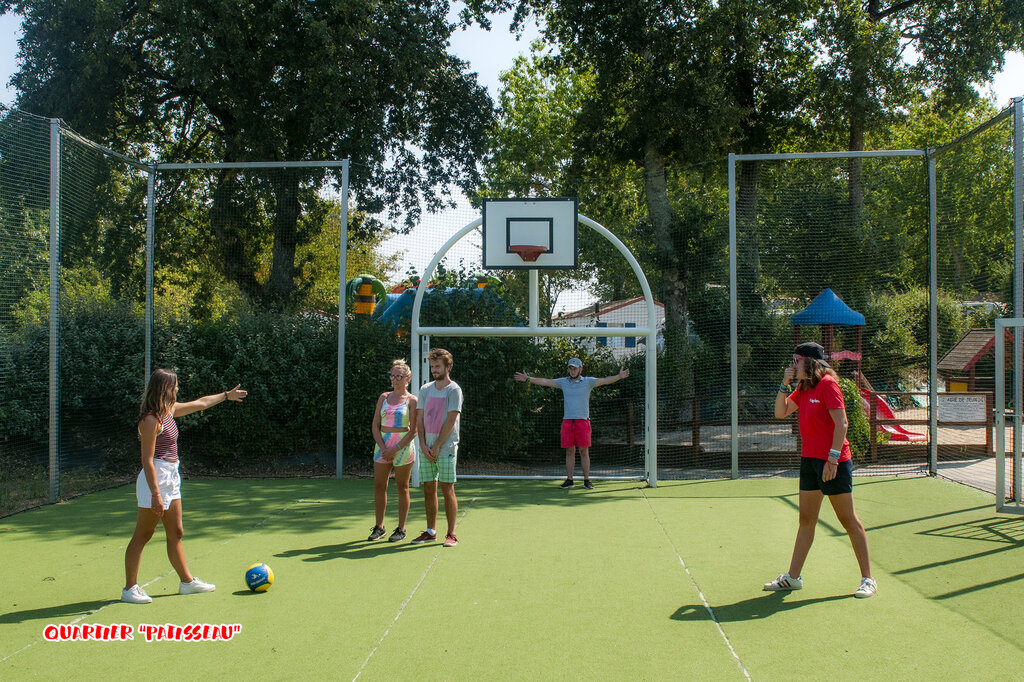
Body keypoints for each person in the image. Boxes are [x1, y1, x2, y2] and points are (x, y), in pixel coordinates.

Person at [121, 369, 247, 604]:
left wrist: (226, 396)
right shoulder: (150, 420)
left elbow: (200, 403)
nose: (178, 389)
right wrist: (156, 494)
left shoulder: (169, 411)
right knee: (143, 534)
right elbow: (147, 461)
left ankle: (187, 582)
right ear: (165, 388)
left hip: (171, 475)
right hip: (155, 478)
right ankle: (130, 588)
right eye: (175, 386)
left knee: (176, 532)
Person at [765, 341, 877, 598]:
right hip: (810, 461)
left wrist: (833, 460)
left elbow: (842, 423)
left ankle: (868, 579)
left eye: (796, 361)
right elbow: (780, 412)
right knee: (806, 520)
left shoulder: (828, 384)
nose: (793, 366)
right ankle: (793, 578)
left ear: (810, 363)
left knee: (848, 521)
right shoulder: (804, 388)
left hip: (833, 462)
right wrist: (785, 382)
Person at [514, 357, 629, 489]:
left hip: (583, 422)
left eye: (575, 368)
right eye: (570, 368)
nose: (572, 370)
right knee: (569, 452)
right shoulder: (563, 382)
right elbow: (546, 381)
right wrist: (528, 378)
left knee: (584, 452)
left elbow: (605, 381)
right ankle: (570, 480)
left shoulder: (588, 382)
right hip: (567, 422)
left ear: (581, 369)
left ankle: (587, 480)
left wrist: (619, 376)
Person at [411, 348, 463, 547]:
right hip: (427, 449)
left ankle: (451, 534)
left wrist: (438, 445)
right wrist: (422, 444)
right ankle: (431, 531)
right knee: (428, 488)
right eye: (432, 366)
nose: (434, 370)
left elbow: (450, 420)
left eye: (437, 366)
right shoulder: (425, 389)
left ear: (448, 367)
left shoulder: (454, 390)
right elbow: (420, 418)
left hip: (446, 447)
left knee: (446, 488)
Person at [368, 359, 418, 542]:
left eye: (400, 376)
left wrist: (395, 448)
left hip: (403, 448)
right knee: (379, 486)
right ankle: (379, 527)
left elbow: (413, 431)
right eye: (393, 376)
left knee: (402, 487)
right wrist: (383, 448)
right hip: (382, 447)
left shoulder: (412, 400)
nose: (395, 379)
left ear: (408, 378)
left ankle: (401, 529)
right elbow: (375, 426)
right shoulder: (383, 397)